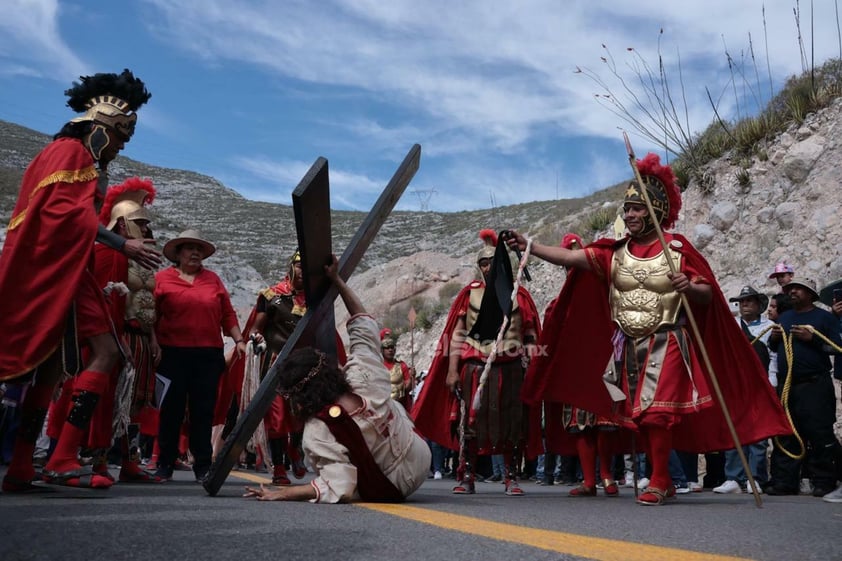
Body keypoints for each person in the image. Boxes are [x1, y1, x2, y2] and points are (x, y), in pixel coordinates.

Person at [506, 153, 791, 505]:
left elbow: (706, 294)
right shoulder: (614, 253)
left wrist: (689, 286)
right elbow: (572, 258)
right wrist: (530, 247)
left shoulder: (676, 248)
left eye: (637, 209)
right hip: (627, 343)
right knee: (636, 415)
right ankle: (663, 479)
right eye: (627, 210)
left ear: (655, 210)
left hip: (668, 338)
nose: (630, 216)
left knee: (657, 411)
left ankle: (659, 480)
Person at [0, 69, 158, 491]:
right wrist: (123, 246)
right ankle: (56, 455)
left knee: (57, 366)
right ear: (105, 129)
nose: (121, 148)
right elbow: (68, 214)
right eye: (121, 139)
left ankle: (28, 464)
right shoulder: (68, 152)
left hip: (69, 267)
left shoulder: (76, 157)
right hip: (50, 268)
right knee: (86, 356)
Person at [242, 255, 431, 503]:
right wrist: (337, 280)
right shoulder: (363, 373)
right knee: (389, 402)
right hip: (421, 458)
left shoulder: (316, 431)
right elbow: (363, 323)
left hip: (394, 487)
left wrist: (284, 493)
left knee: (337, 455)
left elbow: (339, 484)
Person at [412, 229, 542, 496]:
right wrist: (451, 372)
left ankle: (510, 476)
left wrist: (533, 366)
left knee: (511, 423)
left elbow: (529, 333)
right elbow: (456, 335)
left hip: (511, 367)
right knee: (469, 424)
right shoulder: (469, 295)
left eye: (492, 262)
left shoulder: (520, 295)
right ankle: (467, 475)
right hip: (475, 367)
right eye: (483, 263)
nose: (487, 267)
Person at [154, 230, 246, 482]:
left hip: (207, 354)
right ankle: (164, 463)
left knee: (202, 411)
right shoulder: (161, 279)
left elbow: (227, 313)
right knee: (170, 410)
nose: (195, 252)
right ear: (178, 253)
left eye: (199, 249)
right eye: (189, 248)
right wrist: (153, 345)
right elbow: (150, 315)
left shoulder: (213, 280)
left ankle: (203, 465)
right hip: (171, 353)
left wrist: (239, 340)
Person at [765, 277, 841, 497]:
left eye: (799, 289)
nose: (793, 291)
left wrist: (813, 339)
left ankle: (825, 481)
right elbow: (772, 346)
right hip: (789, 384)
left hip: (815, 384)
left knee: (819, 433)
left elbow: (836, 347)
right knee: (786, 432)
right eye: (791, 289)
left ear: (811, 295)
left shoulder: (824, 318)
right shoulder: (785, 317)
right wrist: (775, 338)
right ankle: (784, 481)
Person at [713, 286, 776, 494]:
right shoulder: (729, 326)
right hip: (734, 385)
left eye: (750, 301)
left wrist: (772, 382)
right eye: (742, 301)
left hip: (760, 384)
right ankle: (733, 477)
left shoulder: (770, 327)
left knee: (759, 433)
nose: (745, 304)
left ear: (759, 305)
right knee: (734, 429)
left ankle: (755, 477)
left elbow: (774, 357)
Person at [380, 328, 415, 411]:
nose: (390, 350)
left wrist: (411, 377)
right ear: (382, 350)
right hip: (384, 409)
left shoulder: (402, 365)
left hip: (401, 407)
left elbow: (408, 388)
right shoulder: (378, 367)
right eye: (387, 347)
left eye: (392, 347)